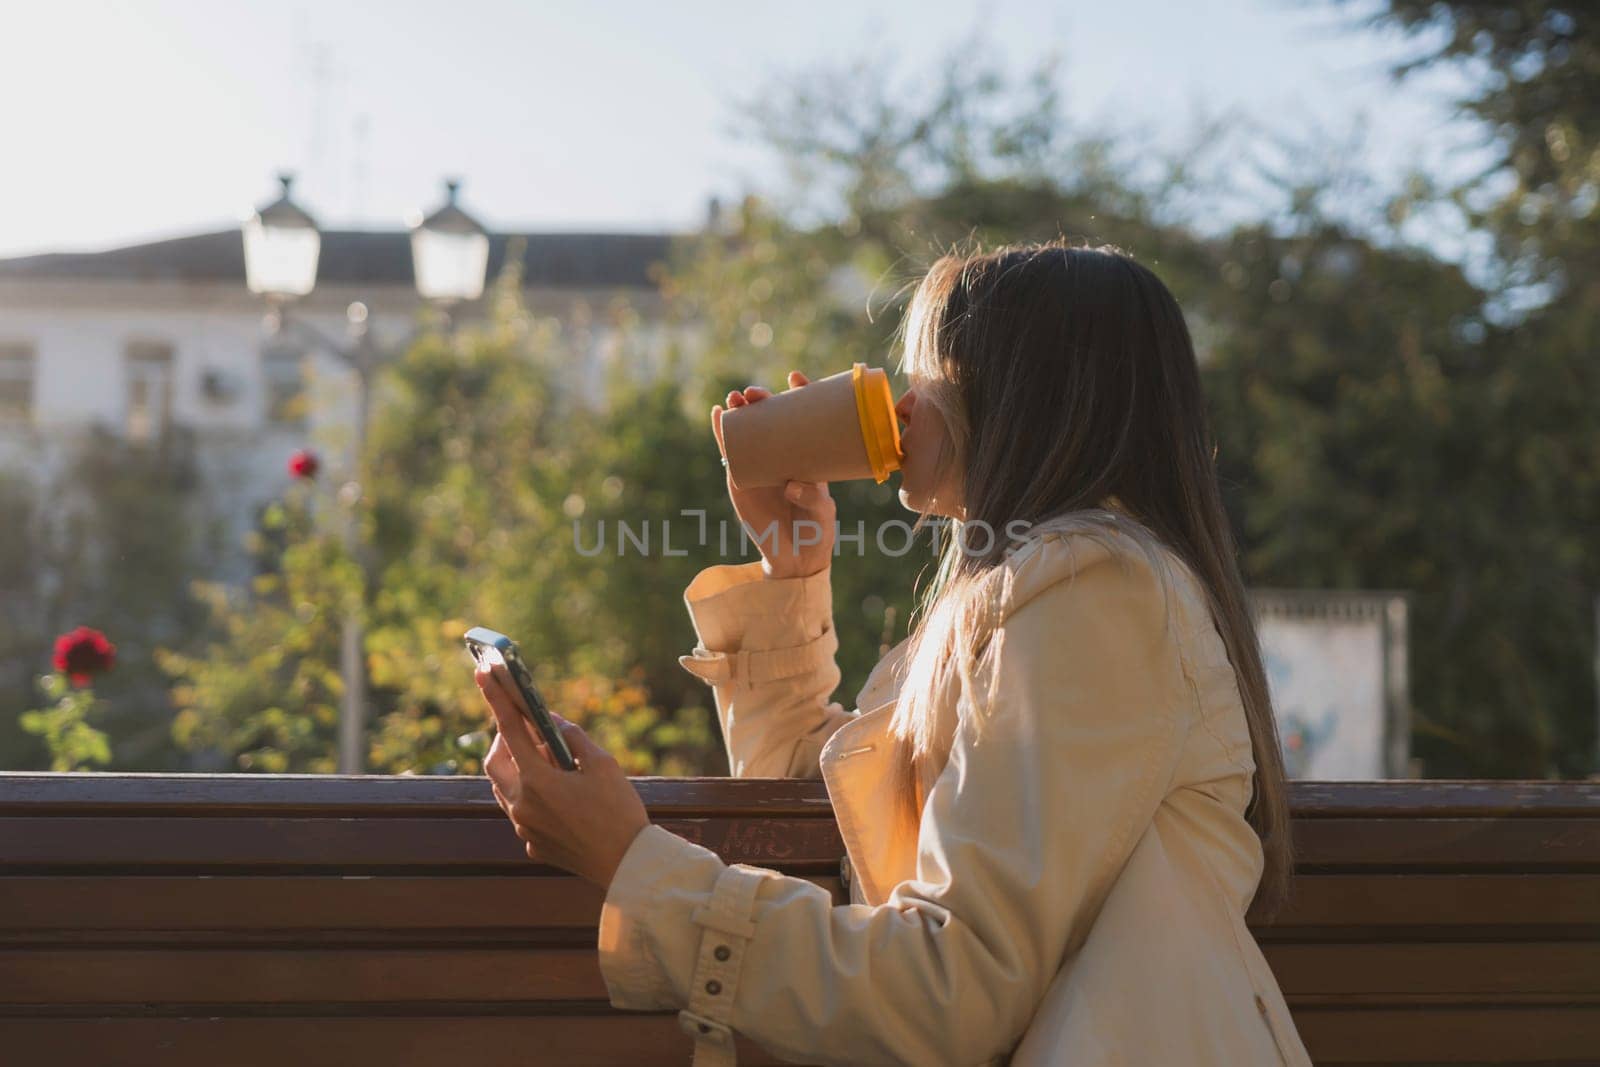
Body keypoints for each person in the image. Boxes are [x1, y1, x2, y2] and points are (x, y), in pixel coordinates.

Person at [475, 241, 1315, 1066]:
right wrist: (791, 569)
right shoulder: (1039, 596)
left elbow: (950, 986)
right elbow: (833, 807)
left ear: (1021, 397)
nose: (902, 408)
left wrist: (632, 863)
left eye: (929, 377)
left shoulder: (1099, 593)